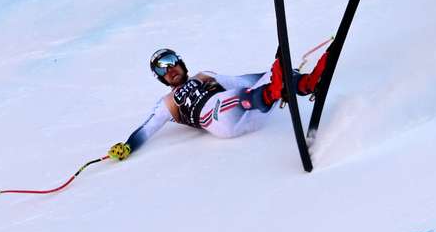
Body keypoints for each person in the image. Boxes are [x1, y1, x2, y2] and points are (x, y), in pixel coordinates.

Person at [107, 48, 328, 161]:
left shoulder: (205, 75)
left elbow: (241, 82)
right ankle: (275, 90)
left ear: (182, 63)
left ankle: (305, 83)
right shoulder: (167, 103)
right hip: (217, 121)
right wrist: (128, 146)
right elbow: (147, 129)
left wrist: (271, 74)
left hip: (251, 115)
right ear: (160, 78)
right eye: (161, 69)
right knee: (221, 102)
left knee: (268, 79)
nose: (170, 69)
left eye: (172, 61)